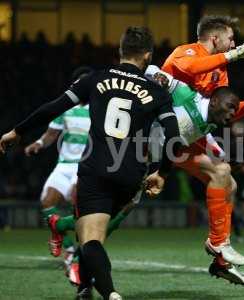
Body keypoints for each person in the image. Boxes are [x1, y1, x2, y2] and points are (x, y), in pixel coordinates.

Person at [49, 65, 244, 286]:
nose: (231, 115)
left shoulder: (214, 118)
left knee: (225, 179)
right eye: (229, 109)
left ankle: (219, 247)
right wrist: (152, 85)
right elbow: (153, 71)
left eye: (234, 110)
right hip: (134, 155)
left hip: (159, 160)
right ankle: (68, 238)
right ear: (213, 102)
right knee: (115, 213)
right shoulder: (187, 96)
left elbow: (207, 123)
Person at [0, 27, 180, 300]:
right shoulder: (157, 91)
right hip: (131, 173)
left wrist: (17, 131)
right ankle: (85, 288)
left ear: (121, 51)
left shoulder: (95, 79)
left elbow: (53, 107)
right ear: (148, 56)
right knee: (95, 237)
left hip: (95, 168)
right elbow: (175, 139)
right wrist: (162, 172)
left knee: (90, 239)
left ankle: (110, 293)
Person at [162, 15, 244, 275]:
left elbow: (222, 112)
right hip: (159, 134)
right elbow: (190, 69)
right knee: (123, 201)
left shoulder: (220, 70)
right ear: (214, 37)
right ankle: (219, 247)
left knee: (227, 180)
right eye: (231, 39)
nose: (234, 45)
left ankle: (220, 254)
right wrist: (233, 56)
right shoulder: (187, 52)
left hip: (190, 137)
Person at [24, 66, 92, 271]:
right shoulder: (65, 109)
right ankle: (69, 247)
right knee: (46, 203)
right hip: (64, 165)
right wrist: (38, 143)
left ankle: (83, 257)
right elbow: (51, 135)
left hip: (85, 167)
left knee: (77, 204)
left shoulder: (100, 109)